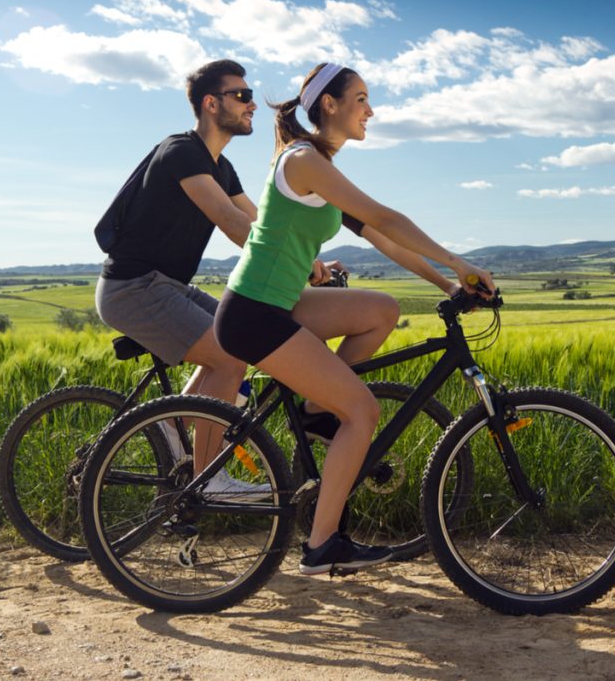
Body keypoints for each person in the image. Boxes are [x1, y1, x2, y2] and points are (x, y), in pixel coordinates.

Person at [212, 62, 495, 575]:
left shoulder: (323, 167)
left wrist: (448, 284)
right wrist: (459, 261)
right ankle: (322, 546)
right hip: (254, 313)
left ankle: (319, 411)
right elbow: (388, 217)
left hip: (279, 302)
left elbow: (381, 237)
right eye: (361, 99)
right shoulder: (304, 161)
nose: (371, 110)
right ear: (330, 105)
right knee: (363, 412)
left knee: (381, 309)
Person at [94, 59, 272, 499]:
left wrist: (312, 258)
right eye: (242, 96)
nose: (252, 105)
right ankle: (208, 479)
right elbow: (232, 223)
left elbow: (261, 222)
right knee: (229, 358)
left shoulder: (221, 167)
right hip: (134, 288)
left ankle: (173, 428)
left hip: (166, 285)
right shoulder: (182, 152)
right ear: (212, 103)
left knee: (243, 337)